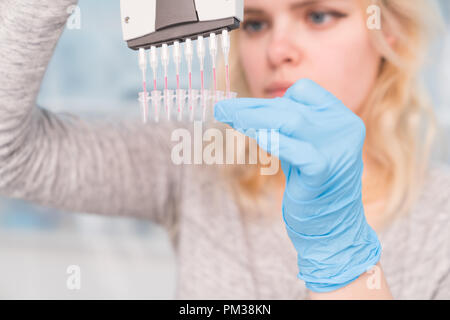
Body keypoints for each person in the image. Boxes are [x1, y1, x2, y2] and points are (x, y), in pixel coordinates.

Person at [0, 0, 448, 299]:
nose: (277, 50)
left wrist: (341, 252)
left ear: (392, 35)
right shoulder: (196, 160)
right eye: (255, 23)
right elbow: (10, 155)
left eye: (318, 16)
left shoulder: (441, 219)